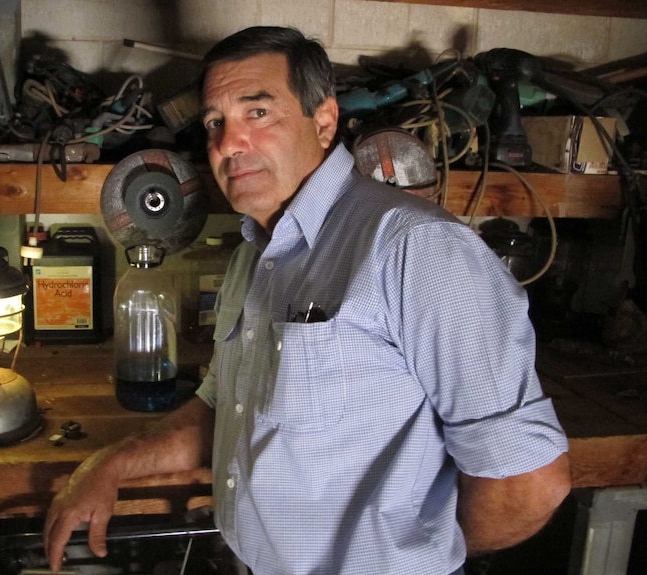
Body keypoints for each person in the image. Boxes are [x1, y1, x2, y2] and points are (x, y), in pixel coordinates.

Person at [43, 26, 571, 574]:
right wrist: (109, 464)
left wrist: (424, 557)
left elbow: (528, 482)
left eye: (258, 113)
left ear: (324, 121)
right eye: (215, 123)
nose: (228, 144)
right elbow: (222, 409)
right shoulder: (257, 251)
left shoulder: (414, 247)